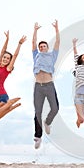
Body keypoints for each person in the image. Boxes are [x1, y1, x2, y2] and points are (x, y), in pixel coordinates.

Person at [32, 20, 60, 149]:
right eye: (40, 47)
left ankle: (47, 122)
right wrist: (35, 31)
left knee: (55, 108)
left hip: (49, 85)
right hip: (38, 86)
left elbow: (58, 42)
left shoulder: (52, 55)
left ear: (47, 48)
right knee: (37, 112)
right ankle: (38, 137)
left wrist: (56, 28)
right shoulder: (36, 55)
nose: (42, 48)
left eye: (44, 46)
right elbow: (33, 43)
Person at [0, 31, 27, 123]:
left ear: (9, 61)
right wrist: (7, 39)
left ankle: (9, 103)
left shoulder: (7, 69)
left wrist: (19, 44)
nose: (5, 59)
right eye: (4, 57)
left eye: (7, 58)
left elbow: (15, 56)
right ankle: (10, 108)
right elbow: (2, 51)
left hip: (1, 96)